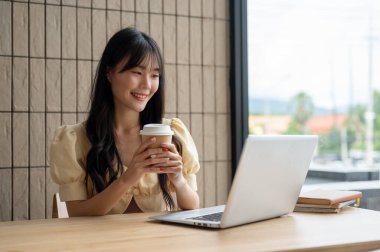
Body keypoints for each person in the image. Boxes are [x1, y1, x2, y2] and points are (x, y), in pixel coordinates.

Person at [50, 27, 200, 217]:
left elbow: (193, 206)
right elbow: (77, 213)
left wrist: (178, 180)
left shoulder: (172, 133)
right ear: (109, 73)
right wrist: (127, 179)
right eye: (137, 72)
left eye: (154, 75)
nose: (147, 84)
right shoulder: (75, 140)